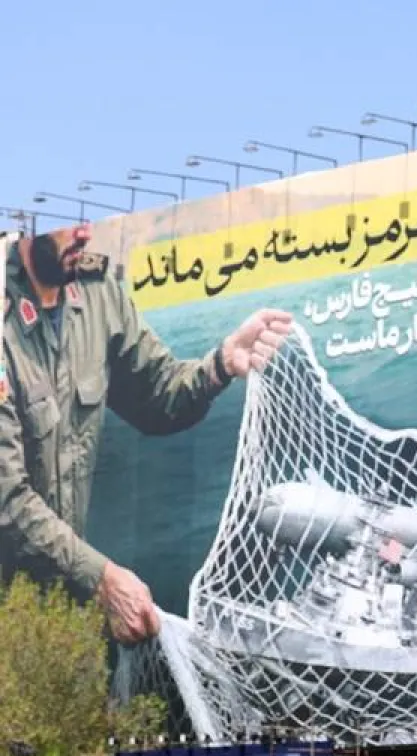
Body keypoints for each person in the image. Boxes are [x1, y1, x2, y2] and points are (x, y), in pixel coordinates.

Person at [1, 224, 292, 643]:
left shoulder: (99, 294)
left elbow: (158, 397)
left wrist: (221, 364)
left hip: (65, 612)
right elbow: (8, 498)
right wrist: (103, 579)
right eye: (69, 221)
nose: (84, 234)